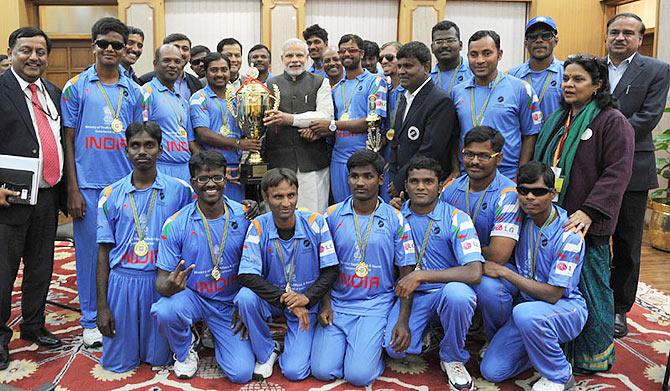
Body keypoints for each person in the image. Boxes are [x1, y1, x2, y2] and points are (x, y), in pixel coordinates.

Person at [534, 54, 634, 372]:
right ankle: (557, 347)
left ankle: (592, 355)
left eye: (578, 79)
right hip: (554, 218)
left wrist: (590, 212)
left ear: (597, 85)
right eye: (566, 78)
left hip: (585, 223)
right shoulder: (557, 118)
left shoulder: (611, 120)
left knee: (590, 286)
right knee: (555, 284)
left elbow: (617, 172)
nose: (568, 84)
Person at [61, 17, 144, 348]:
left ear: (125, 49)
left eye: (117, 45)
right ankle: (90, 319)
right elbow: (68, 139)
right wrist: (73, 188)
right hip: (89, 187)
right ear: (92, 45)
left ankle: (119, 311)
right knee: (90, 254)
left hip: (125, 185)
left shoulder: (135, 92)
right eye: (103, 44)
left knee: (124, 253)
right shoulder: (76, 87)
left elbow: (139, 140)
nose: (110, 50)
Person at [310, 150, 415, 387]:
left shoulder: (396, 218)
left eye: (367, 176)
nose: (359, 182)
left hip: (375, 305)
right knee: (321, 370)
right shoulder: (331, 215)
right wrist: (325, 303)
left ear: (380, 179)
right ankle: (355, 350)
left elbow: (407, 273)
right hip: (338, 304)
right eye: (354, 176)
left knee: (359, 376)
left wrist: (402, 319)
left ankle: (368, 354)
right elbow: (323, 266)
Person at [479, 162, 587, 391]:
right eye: (523, 191)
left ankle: (560, 375)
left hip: (565, 307)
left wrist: (505, 271)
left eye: (538, 192)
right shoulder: (522, 219)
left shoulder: (569, 234)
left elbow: (553, 294)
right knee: (491, 371)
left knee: (524, 312)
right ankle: (536, 348)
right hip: (527, 309)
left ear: (552, 194)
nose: (529, 197)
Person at [95, 121, 192, 373]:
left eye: (149, 145)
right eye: (135, 146)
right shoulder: (109, 194)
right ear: (126, 150)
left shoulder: (180, 191)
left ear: (161, 150)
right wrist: (102, 306)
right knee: (118, 365)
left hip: (159, 283)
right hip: (122, 283)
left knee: (160, 360)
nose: (142, 152)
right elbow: (103, 253)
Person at [151, 150, 255, 382]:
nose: (211, 184)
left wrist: (247, 305)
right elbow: (160, 281)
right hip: (194, 297)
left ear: (226, 179)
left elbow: (259, 267)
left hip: (230, 303)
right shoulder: (176, 224)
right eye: (203, 179)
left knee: (241, 373)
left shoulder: (244, 215)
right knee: (165, 310)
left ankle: (220, 336)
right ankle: (185, 349)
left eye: (217, 177)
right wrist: (170, 287)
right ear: (193, 183)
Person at [384, 156, 483, 391]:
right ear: (405, 186)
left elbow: (474, 272)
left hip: (444, 292)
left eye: (428, 182)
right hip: (411, 295)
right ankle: (432, 332)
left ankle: (452, 357)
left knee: (459, 294)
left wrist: (421, 275)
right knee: (394, 349)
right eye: (414, 181)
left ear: (440, 186)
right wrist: (402, 318)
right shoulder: (394, 216)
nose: (420, 187)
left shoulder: (458, 218)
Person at [0, 27, 66, 370]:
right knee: (3, 271)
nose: (34, 57)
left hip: (46, 196)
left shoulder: (52, 92)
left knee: (41, 267)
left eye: (41, 52)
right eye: (26, 50)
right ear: (11, 52)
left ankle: (33, 325)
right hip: (7, 200)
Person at [235, 168, 339, 380]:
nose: (286, 203)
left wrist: (306, 298)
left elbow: (331, 271)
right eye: (278, 196)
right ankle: (267, 350)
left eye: (291, 195)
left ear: (297, 195)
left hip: (306, 302)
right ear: (265, 197)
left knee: (294, 372)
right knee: (245, 297)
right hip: (274, 300)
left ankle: (296, 345)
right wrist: (287, 300)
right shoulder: (257, 225)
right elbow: (246, 275)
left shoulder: (316, 222)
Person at [605, 13, 670, 338]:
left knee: (628, 242)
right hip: (594, 167)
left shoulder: (657, 70)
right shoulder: (592, 67)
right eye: (614, 32)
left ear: (639, 38)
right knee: (593, 239)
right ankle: (593, 298)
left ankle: (619, 308)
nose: (620, 38)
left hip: (634, 167)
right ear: (606, 36)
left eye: (628, 33)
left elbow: (648, 117)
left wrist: (606, 134)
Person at [439, 126, 520, 343]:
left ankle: (495, 336)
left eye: (484, 156)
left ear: (499, 158)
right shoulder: (451, 189)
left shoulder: (509, 194)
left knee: (488, 287)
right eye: (469, 154)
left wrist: (457, 253)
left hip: (497, 270)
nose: (474, 161)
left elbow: (499, 254)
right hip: (460, 263)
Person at [451, 30, 542, 180]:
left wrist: (520, 173)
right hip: (467, 175)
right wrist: (455, 170)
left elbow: (530, 135)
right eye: (473, 55)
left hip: (507, 176)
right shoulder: (457, 92)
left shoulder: (520, 89)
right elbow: (454, 137)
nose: (480, 60)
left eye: (487, 53)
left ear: (499, 54)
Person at [309, 34, 387, 203]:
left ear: (362, 53)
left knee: (365, 208)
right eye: (342, 51)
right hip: (338, 159)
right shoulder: (335, 88)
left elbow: (373, 121)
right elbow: (328, 126)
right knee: (341, 208)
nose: (347, 54)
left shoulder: (375, 82)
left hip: (365, 157)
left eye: (352, 50)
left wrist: (332, 125)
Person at [263, 38, 334, 213]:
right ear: (282, 59)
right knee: (280, 215)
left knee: (313, 215)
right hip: (279, 162)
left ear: (307, 57)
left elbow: (325, 115)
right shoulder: (269, 85)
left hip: (312, 162)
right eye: (289, 56)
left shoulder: (320, 82)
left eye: (299, 55)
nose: (294, 59)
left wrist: (290, 119)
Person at [388, 41, 457, 197]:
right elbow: (396, 142)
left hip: (422, 186)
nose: (401, 71)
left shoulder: (440, 101)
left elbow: (430, 151)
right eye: (399, 66)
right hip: (399, 185)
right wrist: (393, 176)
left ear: (426, 67)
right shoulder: (404, 97)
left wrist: (400, 181)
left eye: (408, 66)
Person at [190, 52, 260, 202]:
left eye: (224, 69)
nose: (219, 74)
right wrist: (239, 144)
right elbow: (203, 134)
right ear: (206, 73)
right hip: (211, 170)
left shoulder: (238, 98)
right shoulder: (199, 98)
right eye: (214, 70)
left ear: (230, 71)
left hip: (236, 171)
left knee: (235, 214)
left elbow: (245, 132)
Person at [141, 44, 199, 181]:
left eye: (177, 61)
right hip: (160, 169)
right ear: (155, 64)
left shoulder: (183, 101)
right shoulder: (146, 93)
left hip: (185, 170)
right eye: (167, 60)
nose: (173, 65)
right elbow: (139, 136)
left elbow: (190, 142)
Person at [509, 16, 564, 121]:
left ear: (556, 41)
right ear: (526, 43)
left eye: (546, 36)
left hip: (556, 136)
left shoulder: (566, 73)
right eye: (533, 37)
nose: (539, 40)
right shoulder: (513, 76)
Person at [140, 34, 202, 99]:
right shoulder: (145, 81)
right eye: (176, 47)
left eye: (185, 49)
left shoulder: (196, 83)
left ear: (189, 55)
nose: (180, 52)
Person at [379, 41, 402, 201]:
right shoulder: (384, 90)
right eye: (381, 58)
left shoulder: (408, 92)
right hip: (384, 151)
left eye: (389, 57)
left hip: (401, 155)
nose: (384, 61)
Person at [430, 20, 473, 96]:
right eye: (439, 42)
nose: (444, 45)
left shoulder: (474, 72)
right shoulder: (428, 77)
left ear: (460, 45)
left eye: (450, 41)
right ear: (432, 48)